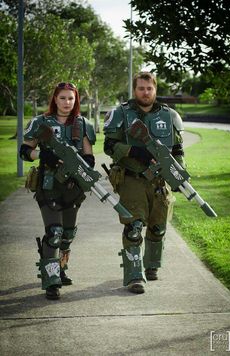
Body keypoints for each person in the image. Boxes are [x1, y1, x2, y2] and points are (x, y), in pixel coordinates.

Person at [103, 72, 186, 294]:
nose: (145, 92)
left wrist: (178, 172)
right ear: (134, 90)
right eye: (141, 88)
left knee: (158, 227)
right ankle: (133, 276)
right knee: (133, 228)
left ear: (155, 89)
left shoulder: (170, 116)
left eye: (149, 88)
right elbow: (109, 146)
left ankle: (151, 266)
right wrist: (133, 151)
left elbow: (177, 150)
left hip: (160, 181)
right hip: (132, 178)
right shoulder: (121, 114)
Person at [20, 82, 96, 300]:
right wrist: (43, 156)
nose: (67, 103)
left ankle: (61, 268)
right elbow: (24, 150)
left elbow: (89, 157)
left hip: (73, 187)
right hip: (48, 185)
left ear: (76, 100)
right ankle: (51, 280)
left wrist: (80, 167)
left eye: (71, 98)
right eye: (62, 98)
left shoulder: (82, 124)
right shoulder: (40, 122)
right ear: (54, 99)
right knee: (54, 232)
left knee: (67, 234)